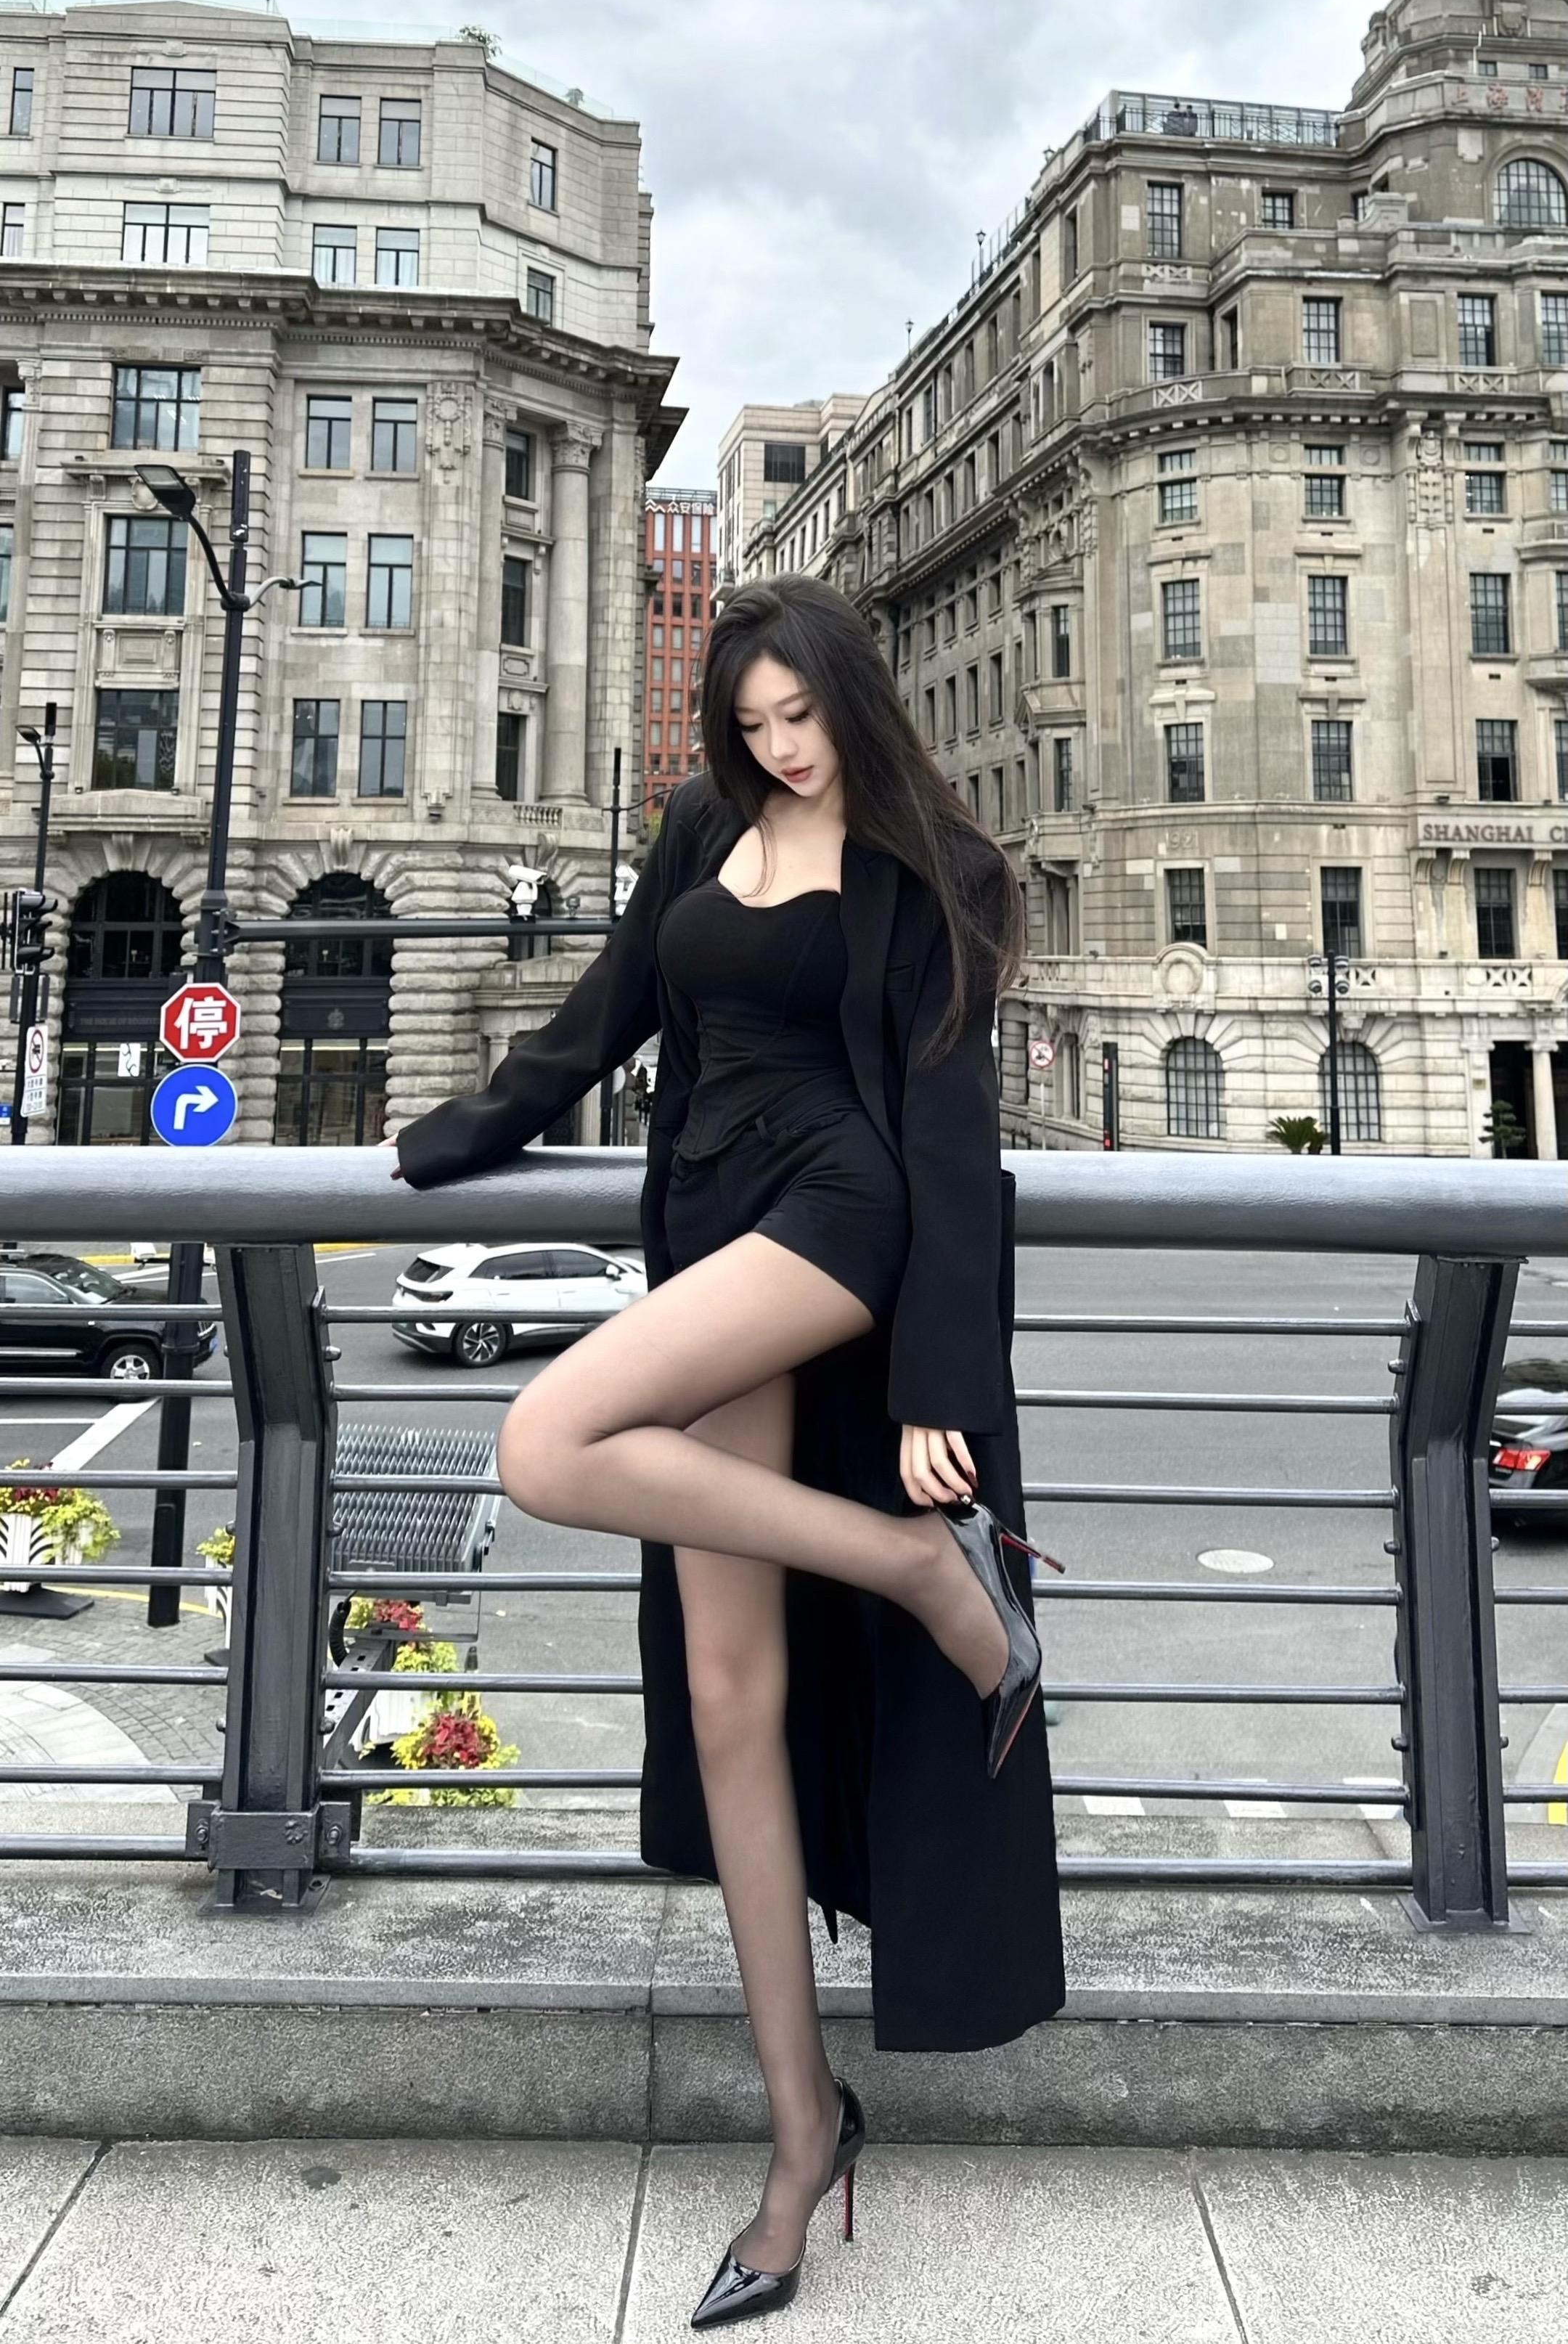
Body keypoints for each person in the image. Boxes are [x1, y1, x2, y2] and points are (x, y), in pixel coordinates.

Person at [393, 576, 1066, 2327]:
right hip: (706, 1220)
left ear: (853, 696)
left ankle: (923, 1564)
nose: (781, 748)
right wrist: (457, 1133)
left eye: (802, 717)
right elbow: (616, 1002)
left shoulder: (942, 867)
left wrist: (937, 1384)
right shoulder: (707, 820)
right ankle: (800, 2131)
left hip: (837, 1211)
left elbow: (950, 1127)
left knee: (548, 1439)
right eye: (752, 724)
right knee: (724, 1699)